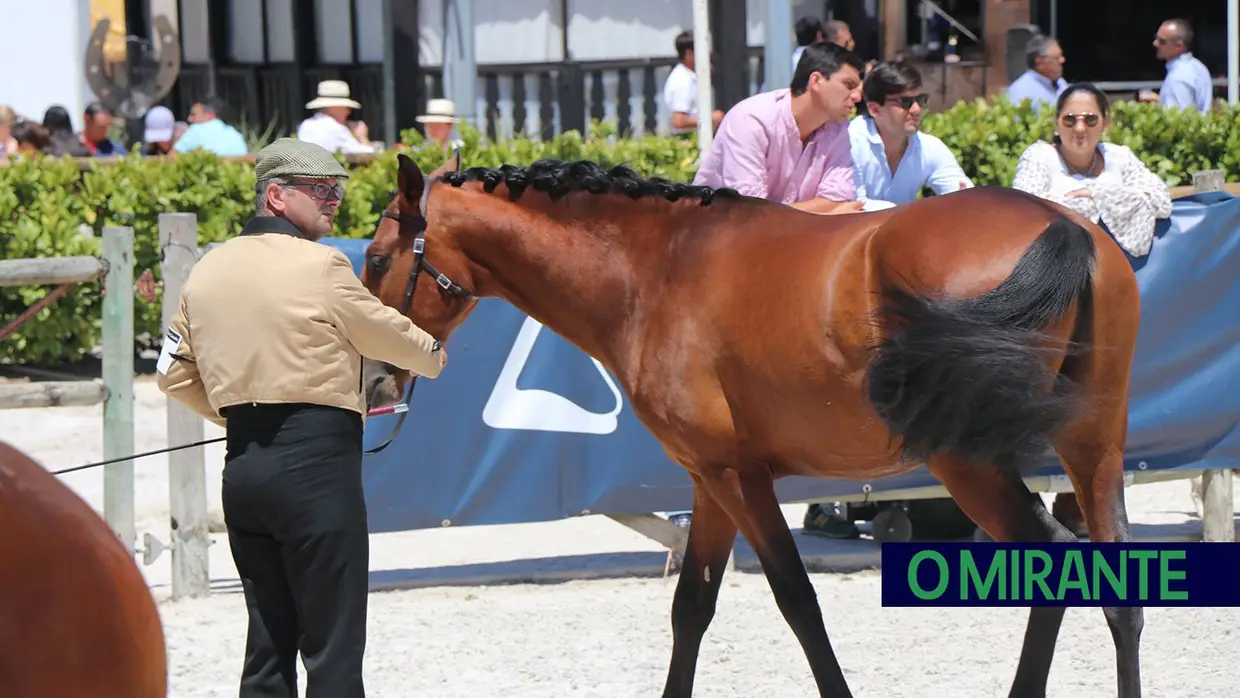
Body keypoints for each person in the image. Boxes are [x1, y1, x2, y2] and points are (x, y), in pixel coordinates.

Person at [156, 138, 448, 697]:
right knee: (332, 648)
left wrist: (234, 409)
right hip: (315, 473)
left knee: (267, 644)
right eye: (321, 191)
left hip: (243, 470)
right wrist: (432, 354)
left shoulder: (206, 271)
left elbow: (170, 370)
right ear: (276, 194)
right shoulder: (321, 265)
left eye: (336, 190)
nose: (333, 201)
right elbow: (386, 332)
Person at [1012, 82, 1172, 536]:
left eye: (1089, 119)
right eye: (1069, 120)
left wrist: (1098, 197)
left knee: (1096, 407)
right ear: (1055, 125)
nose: (1079, 129)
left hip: (1108, 303)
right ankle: (1015, 514)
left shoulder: (1119, 157)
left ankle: (1075, 504)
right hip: (1046, 299)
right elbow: (1023, 209)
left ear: (1105, 123)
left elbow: (1158, 198)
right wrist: (1090, 203)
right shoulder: (1038, 158)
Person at [692, 40, 866, 214]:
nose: (857, 96)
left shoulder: (838, 129)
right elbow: (751, 213)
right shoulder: (751, 120)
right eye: (849, 85)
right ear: (816, 80)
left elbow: (838, 198)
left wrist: (822, 213)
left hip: (796, 236)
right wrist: (824, 214)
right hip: (716, 234)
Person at [847, 60, 972, 208]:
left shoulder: (930, 147)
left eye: (920, 99)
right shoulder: (849, 142)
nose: (916, 109)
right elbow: (854, 206)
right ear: (874, 109)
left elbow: (965, 198)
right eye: (905, 102)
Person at [1005, 34, 1067, 112]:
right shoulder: (1022, 91)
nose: (1062, 60)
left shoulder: (1061, 83)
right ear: (1040, 63)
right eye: (1057, 58)